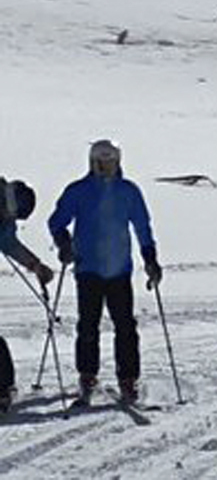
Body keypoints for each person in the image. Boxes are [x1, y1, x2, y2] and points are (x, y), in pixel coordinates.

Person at [48, 140, 159, 407]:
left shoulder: (128, 191)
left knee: (125, 327)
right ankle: (88, 376)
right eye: (102, 162)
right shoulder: (78, 191)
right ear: (92, 163)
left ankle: (128, 379)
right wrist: (63, 242)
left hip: (119, 269)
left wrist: (150, 258)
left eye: (110, 162)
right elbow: (57, 221)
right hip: (88, 268)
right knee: (88, 326)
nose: (106, 167)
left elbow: (142, 226)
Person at [1, 178, 56, 415]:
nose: (8, 218)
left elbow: (9, 243)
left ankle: (3, 389)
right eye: (10, 213)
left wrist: (36, 265)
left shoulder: (5, 220)